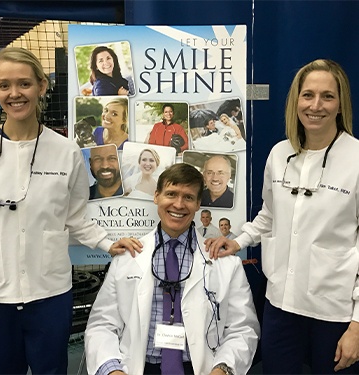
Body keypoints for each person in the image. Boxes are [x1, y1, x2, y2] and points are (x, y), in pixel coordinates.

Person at [0, 47, 142, 375]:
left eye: (24, 84)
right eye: (4, 85)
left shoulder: (66, 151)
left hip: (50, 294)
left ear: (42, 86)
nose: (14, 93)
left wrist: (108, 242)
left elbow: (75, 217)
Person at [207, 59, 359, 374]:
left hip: (335, 312)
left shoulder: (355, 159)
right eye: (308, 95)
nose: (316, 105)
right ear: (296, 101)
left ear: (341, 104)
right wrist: (238, 242)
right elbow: (268, 216)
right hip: (280, 305)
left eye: (328, 96)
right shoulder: (279, 154)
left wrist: (357, 325)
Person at [85, 163, 260, 375]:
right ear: (156, 196)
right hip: (138, 368)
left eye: (188, 197)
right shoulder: (127, 258)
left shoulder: (225, 263)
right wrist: (112, 370)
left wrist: (222, 369)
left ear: (198, 204)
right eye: (171, 194)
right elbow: (101, 326)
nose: (178, 204)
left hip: (201, 369)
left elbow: (243, 329)